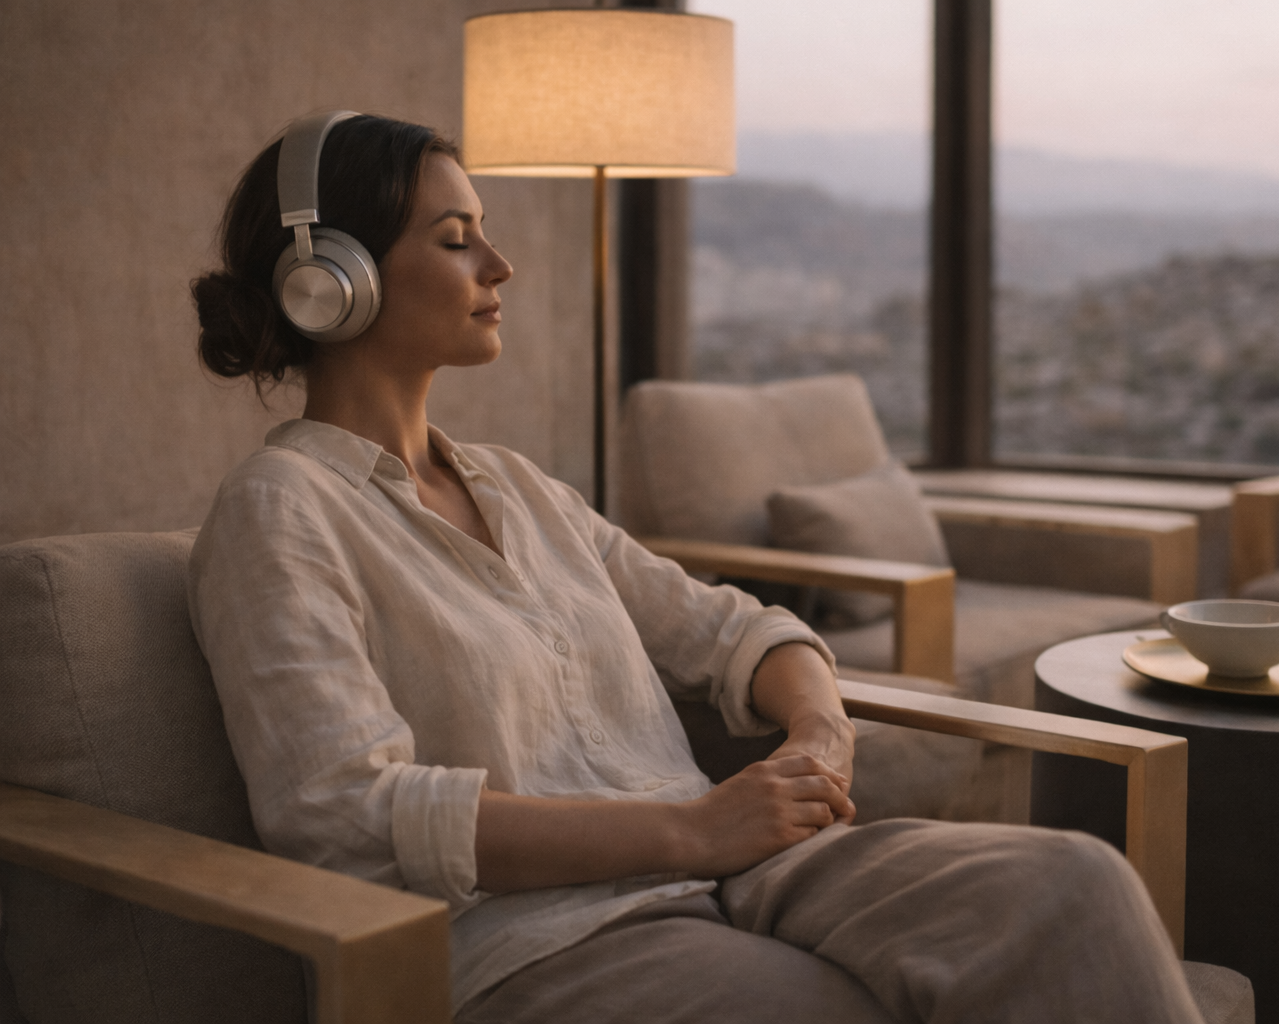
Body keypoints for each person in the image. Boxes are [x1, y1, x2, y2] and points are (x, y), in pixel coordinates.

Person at [188, 113, 1204, 1023]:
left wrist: (818, 734)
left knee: (1078, 885)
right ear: (327, 283)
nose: (500, 265)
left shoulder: (519, 487)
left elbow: (731, 630)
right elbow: (342, 813)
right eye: (457, 240)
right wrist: (690, 829)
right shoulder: (279, 513)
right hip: (545, 941)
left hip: (751, 869)